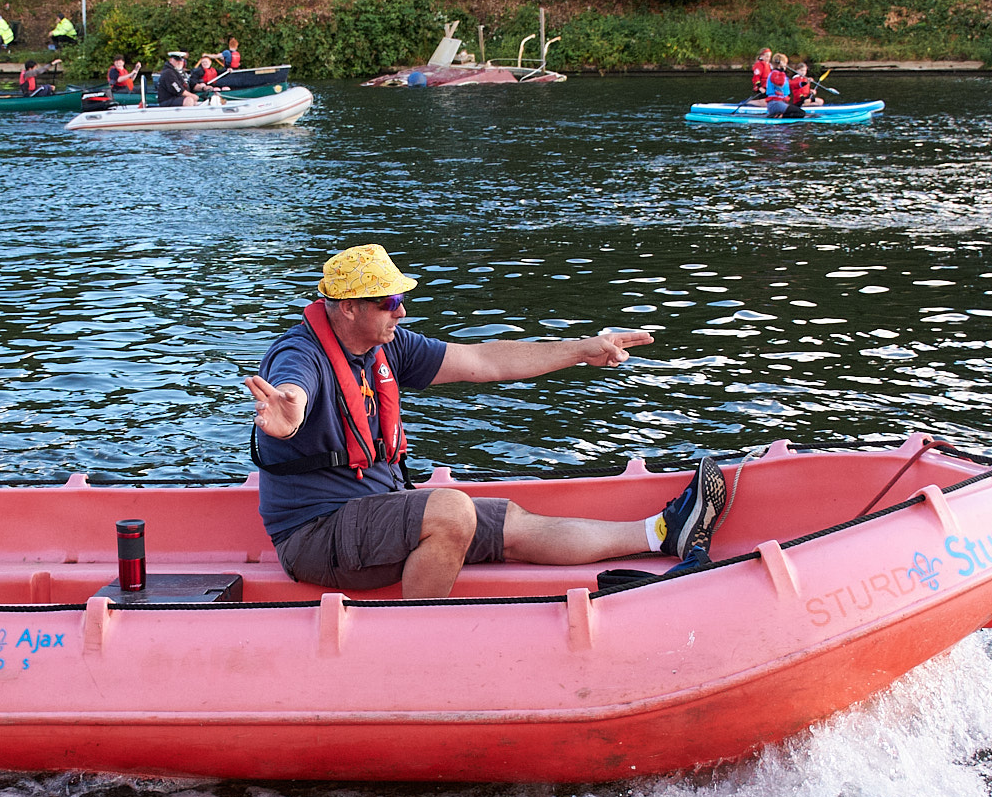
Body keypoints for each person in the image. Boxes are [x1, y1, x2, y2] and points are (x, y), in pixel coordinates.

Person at [245, 245, 728, 598]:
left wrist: (581, 351)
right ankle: (405, 639)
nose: (402, 311)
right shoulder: (298, 355)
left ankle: (661, 533)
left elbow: (486, 360)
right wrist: (289, 416)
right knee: (452, 510)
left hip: (376, 511)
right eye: (389, 303)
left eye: (400, 300)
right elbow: (292, 394)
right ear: (348, 309)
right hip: (315, 536)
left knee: (505, 519)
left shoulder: (386, 345)